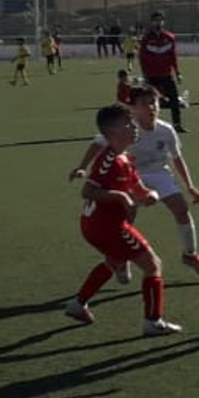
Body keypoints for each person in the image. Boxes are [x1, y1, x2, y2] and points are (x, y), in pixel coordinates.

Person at [69, 85, 199, 280]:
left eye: (153, 102)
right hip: (130, 173)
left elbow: (177, 158)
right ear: (133, 108)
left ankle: (191, 255)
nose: (151, 107)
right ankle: (121, 258)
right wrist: (82, 167)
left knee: (181, 209)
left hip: (159, 173)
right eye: (144, 104)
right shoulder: (126, 128)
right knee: (126, 215)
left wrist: (190, 186)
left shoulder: (166, 130)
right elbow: (98, 143)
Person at [64, 104, 183, 336]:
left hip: (100, 226)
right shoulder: (108, 159)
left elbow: (137, 187)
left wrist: (149, 194)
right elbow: (87, 191)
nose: (134, 126)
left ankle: (78, 304)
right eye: (128, 123)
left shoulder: (126, 157)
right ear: (112, 132)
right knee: (152, 264)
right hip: (106, 226)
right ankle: (153, 321)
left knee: (116, 259)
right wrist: (118, 196)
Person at [139, 11, 186, 133]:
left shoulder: (169, 37)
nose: (158, 23)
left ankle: (177, 124)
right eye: (155, 20)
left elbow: (173, 57)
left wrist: (177, 72)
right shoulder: (146, 39)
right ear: (151, 22)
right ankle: (150, 126)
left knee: (174, 100)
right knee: (151, 102)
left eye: (160, 20)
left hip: (166, 75)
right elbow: (142, 58)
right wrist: (145, 75)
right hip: (152, 76)